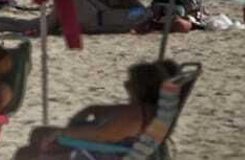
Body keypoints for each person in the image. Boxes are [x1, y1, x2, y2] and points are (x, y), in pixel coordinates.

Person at [13, 60, 180, 158]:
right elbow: (107, 123)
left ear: (141, 87)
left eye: (130, 81)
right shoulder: (145, 110)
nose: (125, 84)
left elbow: (101, 135)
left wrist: (61, 134)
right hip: (112, 148)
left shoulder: (135, 115)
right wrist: (92, 109)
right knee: (39, 135)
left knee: (27, 153)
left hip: (106, 154)